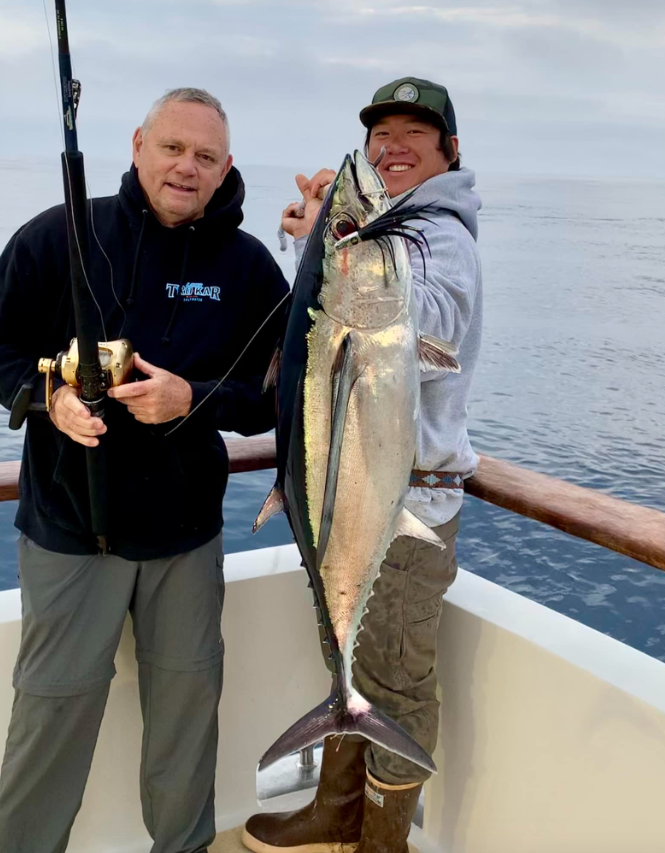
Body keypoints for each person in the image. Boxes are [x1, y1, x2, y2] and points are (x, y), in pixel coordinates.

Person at [0, 87, 289, 853]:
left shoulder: (249, 267)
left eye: (204, 156)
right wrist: (43, 396)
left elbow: (279, 397)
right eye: (172, 148)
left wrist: (192, 397)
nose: (186, 168)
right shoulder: (60, 234)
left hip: (185, 542)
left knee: (186, 723)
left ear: (226, 167)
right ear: (137, 144)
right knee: (50, 719)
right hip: (69, 533)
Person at [243, 77, 482, 853]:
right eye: (382, 135)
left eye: (415, 132)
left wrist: (341, 238)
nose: (394, 146)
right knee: (347, 670)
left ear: (449, 151)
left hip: (405, 510)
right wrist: (323, 242)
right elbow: (329, 328)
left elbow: (430, 331)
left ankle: (382, 841)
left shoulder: (442, 231)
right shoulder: (389, 226)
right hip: (342, 495)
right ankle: (332, 814)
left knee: (397, 687)